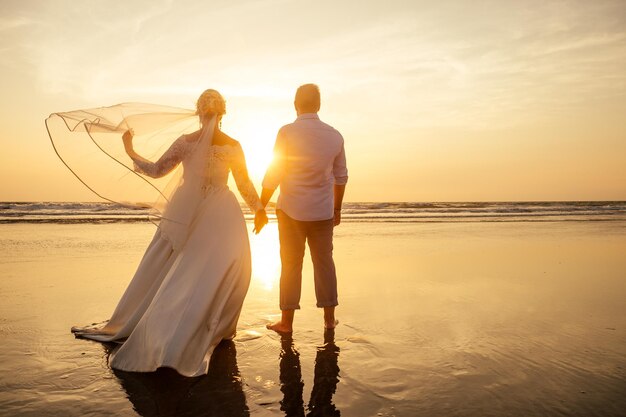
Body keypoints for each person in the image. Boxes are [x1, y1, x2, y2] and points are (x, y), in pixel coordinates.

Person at [71, 89, 269, 377]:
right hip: (222, 211)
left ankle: (178, 324)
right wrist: (259, 209)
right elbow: (244, 184)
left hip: (184, 211)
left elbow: (155, 170)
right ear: (223, 113)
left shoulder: (186, 143)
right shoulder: (233, 145)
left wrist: (130, 150)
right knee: (227, 269)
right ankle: (213, 325)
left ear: (199, 112)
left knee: (175, 268)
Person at [260, 83, 348, 333]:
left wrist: (260, 206)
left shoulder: (286, 132)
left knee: (290, 264)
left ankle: (286, 323)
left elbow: (274, 172)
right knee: (324, 263)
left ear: (295, 104)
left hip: (290, 211)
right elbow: (341, 177)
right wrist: (337, 209)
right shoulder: (335, 135)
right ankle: (329, 320)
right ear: (318, 105)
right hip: (322, 212)